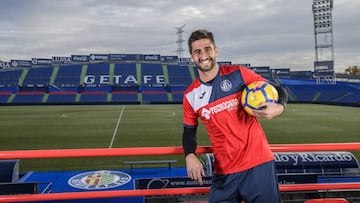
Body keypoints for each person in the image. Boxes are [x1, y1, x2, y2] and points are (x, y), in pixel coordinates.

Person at [182, 29, 288, 203]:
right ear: (192, 57)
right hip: (224, 173)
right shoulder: (190, 96)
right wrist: (189, 155)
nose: (203, 55)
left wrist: (280, 107)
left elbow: (277, 89)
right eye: (197, 52)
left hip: (258, 165)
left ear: (216, 50)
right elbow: (188, 132)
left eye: (207, 49)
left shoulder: (239, 74)